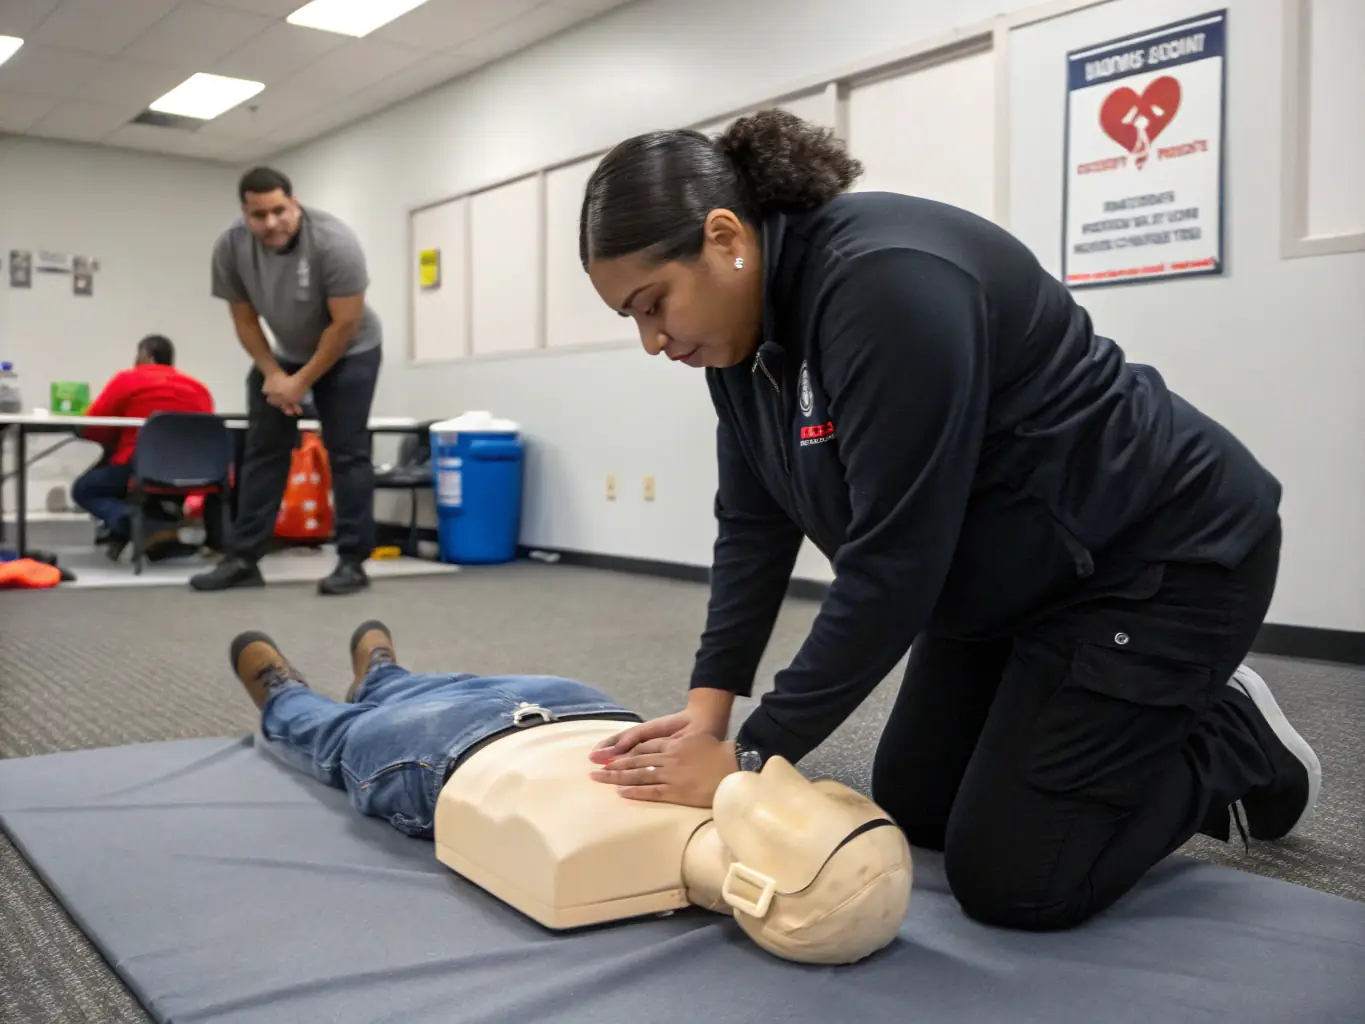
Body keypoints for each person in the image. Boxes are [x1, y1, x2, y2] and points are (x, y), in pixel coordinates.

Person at [577, 110, 1321, 932]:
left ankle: (1231, 736)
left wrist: (752, 751)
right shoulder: (739, 345)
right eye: (631, 320)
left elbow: (894, 564)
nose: (652, 340)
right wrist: (707, 712)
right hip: (1012, 580)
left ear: (724, 238)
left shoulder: (884, 284)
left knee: (1016, 881)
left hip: (1155, 561)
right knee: (916, 807)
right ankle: (1115, 714)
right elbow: (751, 527)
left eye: (654, 304)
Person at [228, 622, 910, 965]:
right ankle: (385, 675)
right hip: (582, 710)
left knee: (340, 736)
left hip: (455, 755)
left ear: (760, 894)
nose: (781, 778)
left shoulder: (622, 856)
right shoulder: (747, 805)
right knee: (438, 698)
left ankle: (291, 694)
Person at [192, 166, 383, 596]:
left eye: (279, 210)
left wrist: (300, 382)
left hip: (350, 350)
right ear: (245, 213)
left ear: (294, 203)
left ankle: (352, 562)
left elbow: (346, 323)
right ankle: (243, 558)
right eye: (259, 215)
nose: (271, 223)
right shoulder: (231, 246)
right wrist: (274, 373)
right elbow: (243, 319)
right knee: (262, 451)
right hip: (284, 355)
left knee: (348, 452)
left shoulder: (334, 242)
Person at [73, 334, 214, 556]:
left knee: (84, 489)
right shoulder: (199, 389)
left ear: (145, 355)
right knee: (130, 482)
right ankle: (156, 530)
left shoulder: (128, 379)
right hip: (191, 473)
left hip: (140, 468)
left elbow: (93, 425)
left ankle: (141, 526)